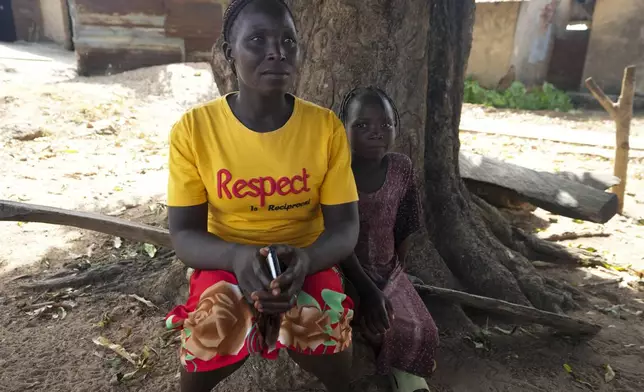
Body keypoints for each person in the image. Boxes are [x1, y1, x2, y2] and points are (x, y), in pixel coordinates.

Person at [163, 1, 359, 391]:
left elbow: (345, 226)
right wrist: (236, 257)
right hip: (225, 258)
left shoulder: (325, 128)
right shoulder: (194, 130)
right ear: (228, 53)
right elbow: (184, 234)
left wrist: (306, 261)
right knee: (210, 327)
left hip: (305, 259)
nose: (277, 51)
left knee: (326, 323)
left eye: (288, 39)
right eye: (257, 39)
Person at [338, 87, 439, 392]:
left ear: (396, 127)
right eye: (362, 125)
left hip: (387, 269)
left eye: (385, 125)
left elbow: (406, 223)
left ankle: (401, 373)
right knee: (372, 322)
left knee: (426, 330)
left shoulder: (400, 167)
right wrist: (362, 288)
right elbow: (331, 233)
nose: (376, 133)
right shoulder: (336, 170)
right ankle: (403, 379)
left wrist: (397, 279)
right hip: (343, 269)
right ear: (344, 128)